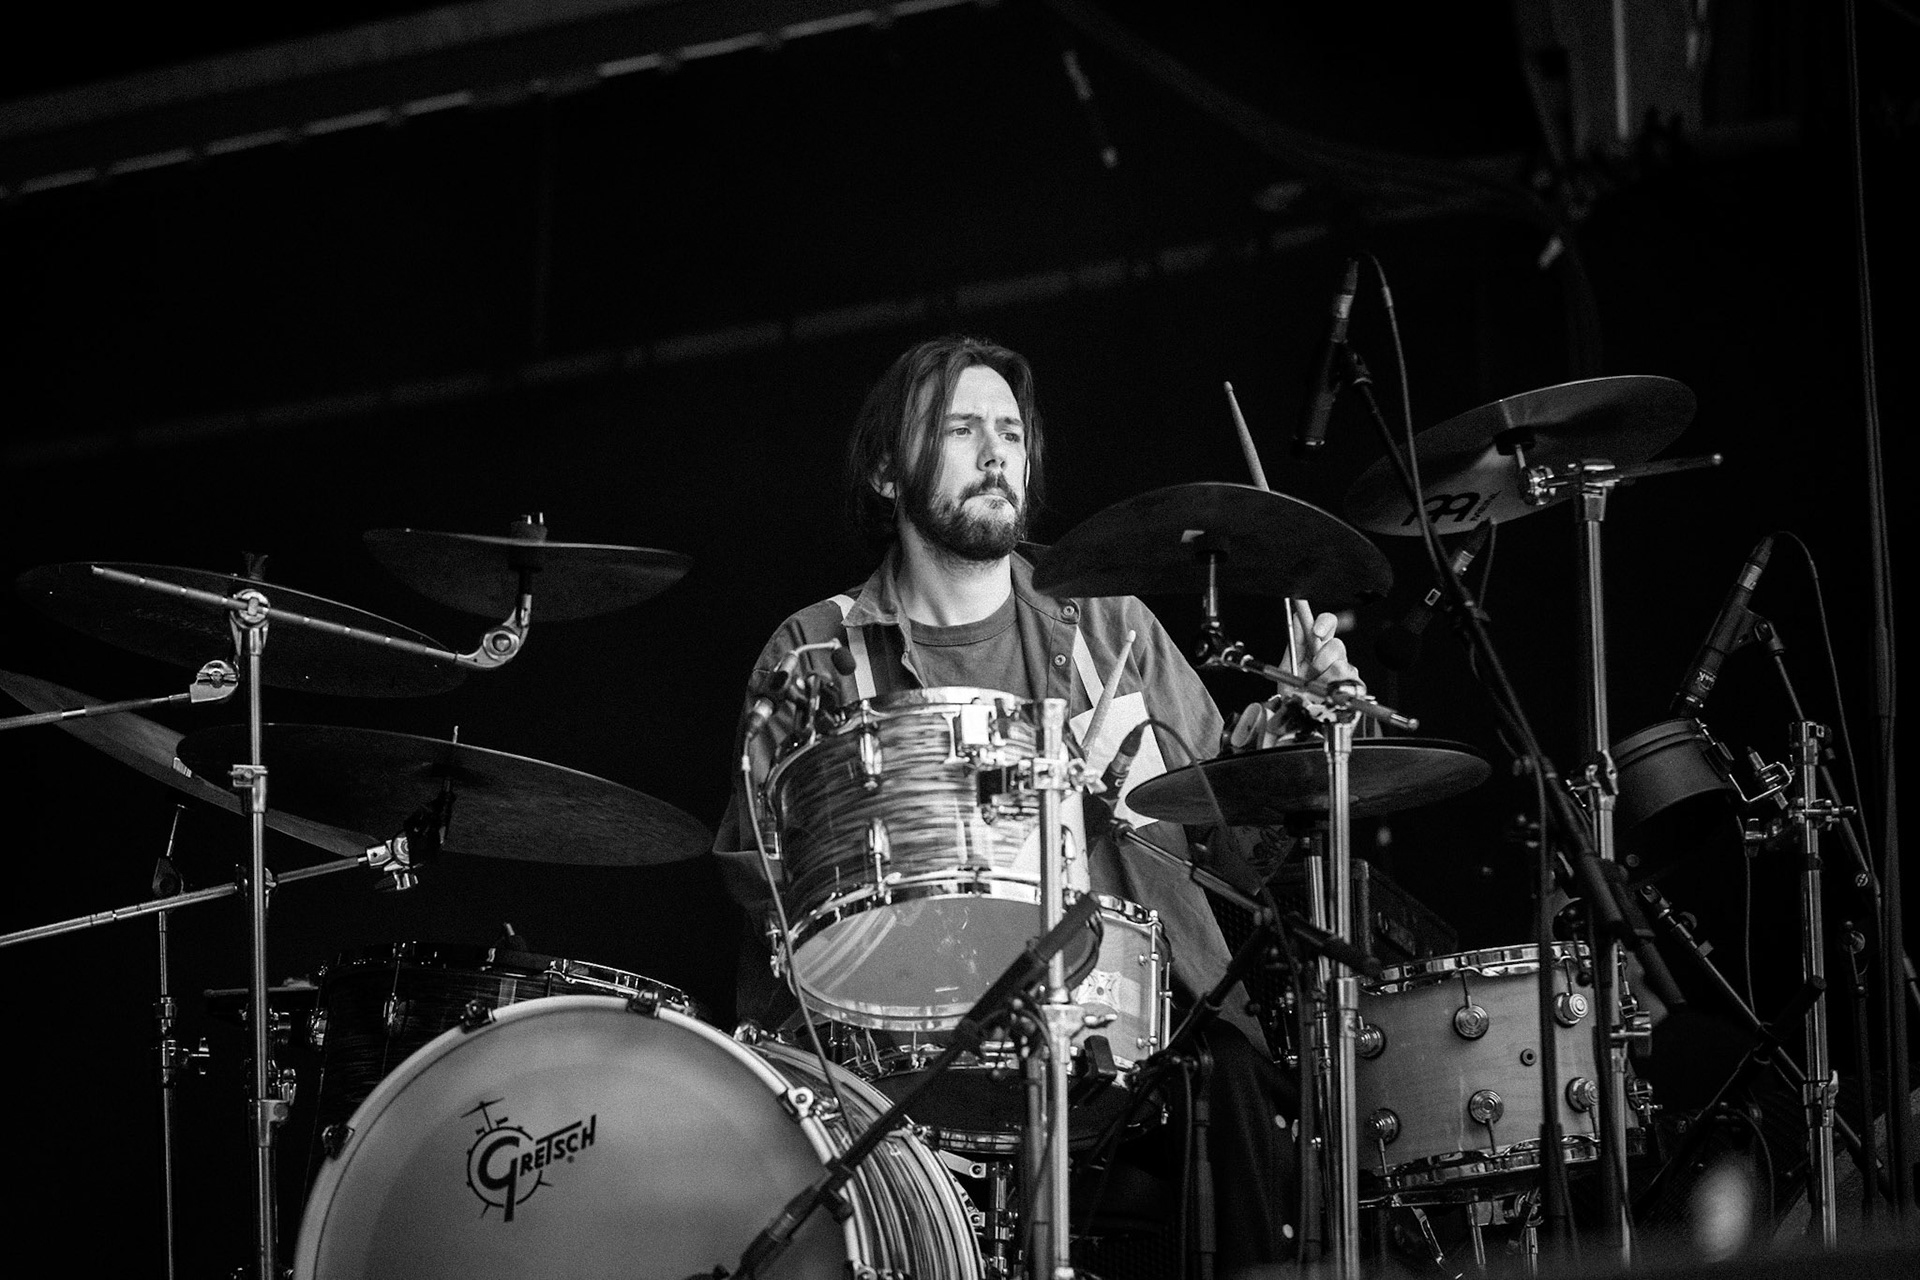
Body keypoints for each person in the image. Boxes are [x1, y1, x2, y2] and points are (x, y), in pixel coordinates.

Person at [710, 334, 1362, 1276]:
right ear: (889, 471)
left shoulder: (1110, 627)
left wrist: (1286, 748)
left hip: (1143, 1068)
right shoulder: (817, 657)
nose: (995, 455)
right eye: (962, 429)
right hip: (899, 1082)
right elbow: (759, 884)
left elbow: (1229, 858)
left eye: (1010, 433)